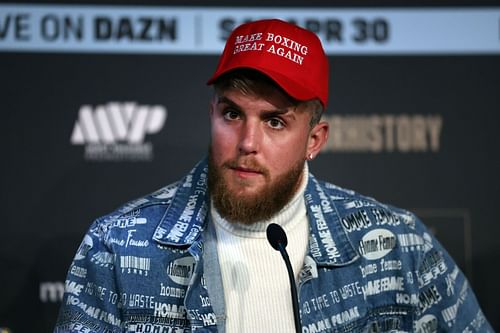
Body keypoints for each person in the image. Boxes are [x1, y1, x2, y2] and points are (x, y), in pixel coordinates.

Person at [54, 19, 493, 333]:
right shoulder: (116, 247)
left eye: (275, 122)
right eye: (232, 114)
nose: (247, 142)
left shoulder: (402, 249)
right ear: (211, 115)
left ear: (314, 140)